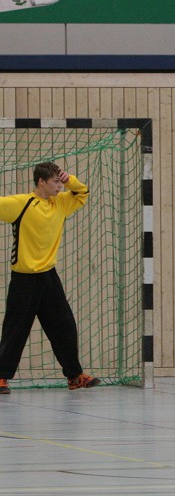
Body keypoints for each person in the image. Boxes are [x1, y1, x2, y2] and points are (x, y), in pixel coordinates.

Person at [0, 162, 101, 394]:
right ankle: (1, 377)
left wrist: (70, 180)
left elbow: (82, 192)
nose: (59, 186)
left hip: (49, 278)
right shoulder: (20, 203)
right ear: (41, 182)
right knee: (16, 329)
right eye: (55, 182)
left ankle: (75, 376)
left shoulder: (61, 203)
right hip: (24, 279)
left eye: (60, 181)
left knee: (64, 325)